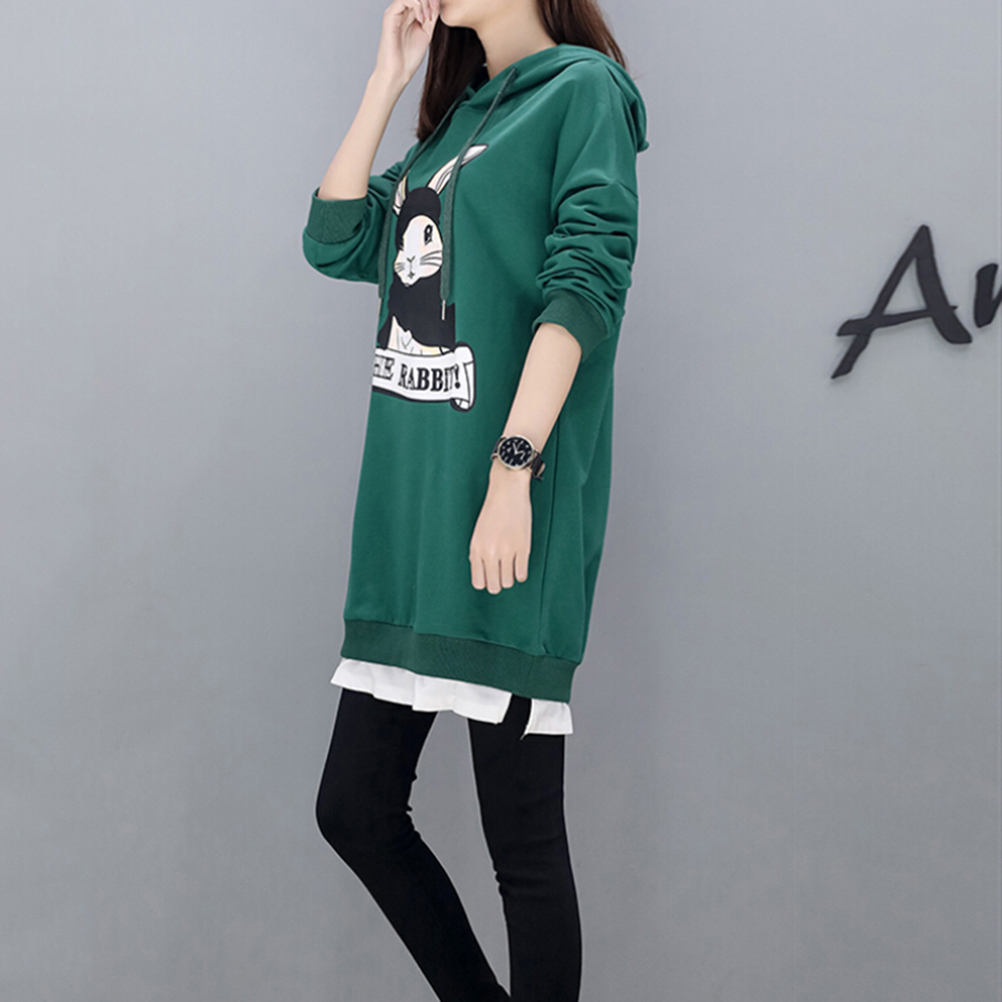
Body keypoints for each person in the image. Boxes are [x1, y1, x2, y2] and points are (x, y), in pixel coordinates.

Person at [301, 1, 648, 999]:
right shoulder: (457, 122)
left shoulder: (584, 92)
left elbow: (585, 285)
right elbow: (336, 238)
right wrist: (389, 81)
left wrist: (513, 468)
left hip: (503, 514)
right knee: (355, 809)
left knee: (522, 846)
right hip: (410, 527)